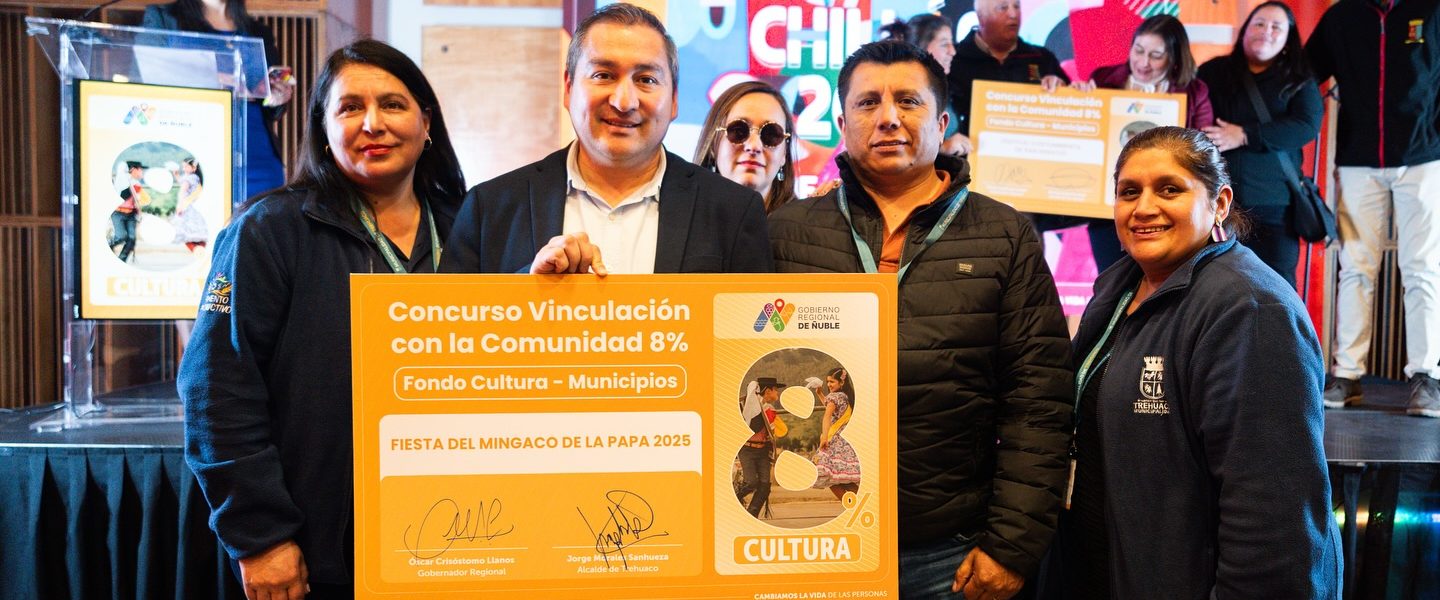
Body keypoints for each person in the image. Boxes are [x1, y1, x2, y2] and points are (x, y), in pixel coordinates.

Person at [769, 40, 1072, 599]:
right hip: (806, 541)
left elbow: (1040, 402)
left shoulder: (1003, 236)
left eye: (908, 101)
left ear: (943, 122)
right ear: (842, 124)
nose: (888, 117)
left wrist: (1011, 544)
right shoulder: (787, 234)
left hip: (948, 551)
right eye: (868, 103)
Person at [178, 39, 466, 600]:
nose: (373, 123)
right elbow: (216, 390)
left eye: (393, 104)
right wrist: (261, 537)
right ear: (323, 127)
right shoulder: (268, 231)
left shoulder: (470, 228)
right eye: (350, 107)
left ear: (426, 121)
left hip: (458, 538)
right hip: (320, 558)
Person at [1057, 126, 1341, 598]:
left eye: (1169, 189)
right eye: (1129, 192)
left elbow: (1273, 519)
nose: (1144, 207)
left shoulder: (1250, 309)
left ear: (1220, 203)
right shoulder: (1118, 288)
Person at [440, 3, 772, 275]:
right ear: (568, 88)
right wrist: (529, 288)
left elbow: (753, 333)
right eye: (603, 75)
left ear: (674, 101)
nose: (624, 102)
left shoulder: (733, 212)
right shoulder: (490, 208)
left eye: (646, 79)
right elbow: (451, 327)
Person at [1307, 0, 1440, 414]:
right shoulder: (1342, 16)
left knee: (1422, 268)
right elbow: (1302, 74)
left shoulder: (1432, 10)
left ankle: (1426, 376)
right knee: (1355, 267)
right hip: (1358, 160)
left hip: (1423, 158)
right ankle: (1347, 375)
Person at [1194, 2, 1321, 289]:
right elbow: (1186, 109)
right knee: (1216, 286)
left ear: (1288, 38)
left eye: (1277, 27)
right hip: (1219, 203)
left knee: (1277, 287)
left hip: (1275, 206)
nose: (1267, 31)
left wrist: (1245, 135)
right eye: (1259, 24)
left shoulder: (1298, 79)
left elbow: (1306, 125)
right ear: (1245, 30)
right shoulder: (1213, 72)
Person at [1076, 14, 1214, 273]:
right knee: (1111, 281)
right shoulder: (1104, 79)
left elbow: (1203, 152)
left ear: (1173, 57)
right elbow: (1082, 135)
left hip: (1165, 207)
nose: (1143, 62)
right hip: (1108, 205)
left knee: (1160, 281)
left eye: (1155, 55)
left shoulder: (1194, 92)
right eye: (1138, 51)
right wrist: (1077, 99)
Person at [144, 0, 294, 197]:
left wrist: (278, 97)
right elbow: (145, 83)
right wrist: (214, 80)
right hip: (194, 157)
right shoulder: (164, 19)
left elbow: (266, 104)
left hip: (258, 158)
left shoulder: (258, 30)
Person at [947, 0, 1068, 157]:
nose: (1013, 14)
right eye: (1003, 8)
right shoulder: (953, 59)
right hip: (970, 162)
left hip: (1033, 159)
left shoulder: (1042, 58)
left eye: (1016, 7)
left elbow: (1070, 112)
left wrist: (1062, 90)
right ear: (981, 17)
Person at [693, 81, 797, 212]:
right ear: (714, 144)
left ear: (784, 154)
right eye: (738, 131)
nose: (754, 146)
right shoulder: (680, 217)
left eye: (770, 134)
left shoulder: (805, 223)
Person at [881, 14, 967, 157]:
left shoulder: (941, 89)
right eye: (944, 44)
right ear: (922, 48)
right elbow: (894, 146)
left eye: (952, 43)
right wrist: (942, 148)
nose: (952, 51)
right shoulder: (901, 92)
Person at [805, 368, 860, 499]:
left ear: (841, 382)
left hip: (834, 442)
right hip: (845, 442)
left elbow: (827, 416)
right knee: (844, 479)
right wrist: (820, 393)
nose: (829, 384)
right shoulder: (847, 397)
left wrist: (824, 437)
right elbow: (831, 407)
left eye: (832, 381)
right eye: (827, 381)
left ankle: (851, 506)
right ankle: (860, 504)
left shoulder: (834, 397)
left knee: (830, 478)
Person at [737, 377, 786, 517]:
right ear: (768, 391)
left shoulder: (769, 409)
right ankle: (732, 497)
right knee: (751, 482)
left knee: (765, 485)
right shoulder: (747, 407)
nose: (777, 393)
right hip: (747, 449)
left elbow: (777, 431)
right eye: (775, 390)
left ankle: (751, 515)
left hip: (763, 450)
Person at [109, 161, 151, 262]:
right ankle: (109, 244)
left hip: (131, 214)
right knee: (121, 236)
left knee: (131, 239)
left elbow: (144, 200)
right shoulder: (122, 181)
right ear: (133, 170)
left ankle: (121, 260)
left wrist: (140, 203)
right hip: (118, 213)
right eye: (140, 170)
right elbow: (123, 195)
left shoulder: (136, 184)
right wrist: (130, 186)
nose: (141, 172)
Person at [171, 157, 210, 252]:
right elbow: (183, 183)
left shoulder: (189, 178)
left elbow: (182, 192)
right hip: (194, 207)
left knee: (186, 233)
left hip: (187, 208)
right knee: (198, 232)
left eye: (186, 167)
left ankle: (197, 251)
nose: (184, 169)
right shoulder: (196, 178)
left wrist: (179, 206)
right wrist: (177, 176)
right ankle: (200, 250)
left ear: (194, 168)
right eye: (183, 167)